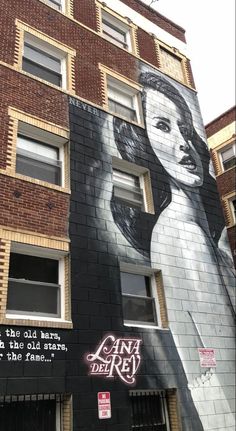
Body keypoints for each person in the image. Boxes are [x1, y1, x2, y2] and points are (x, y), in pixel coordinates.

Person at [111, 69, 235, 429]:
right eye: (163, 126)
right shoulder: (183, 238)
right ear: (143, 141)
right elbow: (227, 375)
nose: (183, 143)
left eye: (184, 126)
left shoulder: (200, 232)